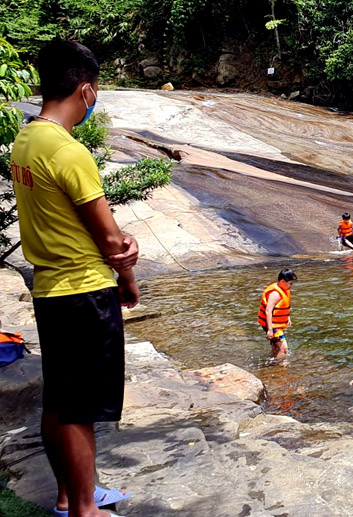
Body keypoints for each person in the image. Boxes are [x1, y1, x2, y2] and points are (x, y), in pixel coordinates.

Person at [11, 40, 138, 517]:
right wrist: (128, 269)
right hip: (83, 290)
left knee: (60, 399)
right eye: (95, 91)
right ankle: (86, 509)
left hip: (50, 288)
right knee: (80, 406)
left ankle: (69, 496)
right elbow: (110, 239)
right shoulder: (69, 151)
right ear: (86, 90)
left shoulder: (26, 139)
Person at [258, 269, 296, 360]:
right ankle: (279, 365)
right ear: (282, 281)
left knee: (276, 347)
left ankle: (271, 363)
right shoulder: (275, 294)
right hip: (272, 325)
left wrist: (288, 317)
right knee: (284, 349)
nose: (291, 286)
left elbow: (283, 307)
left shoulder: (284, 290)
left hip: (276, 324)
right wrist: (270, 329)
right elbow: (268, 311)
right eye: (290, 284)